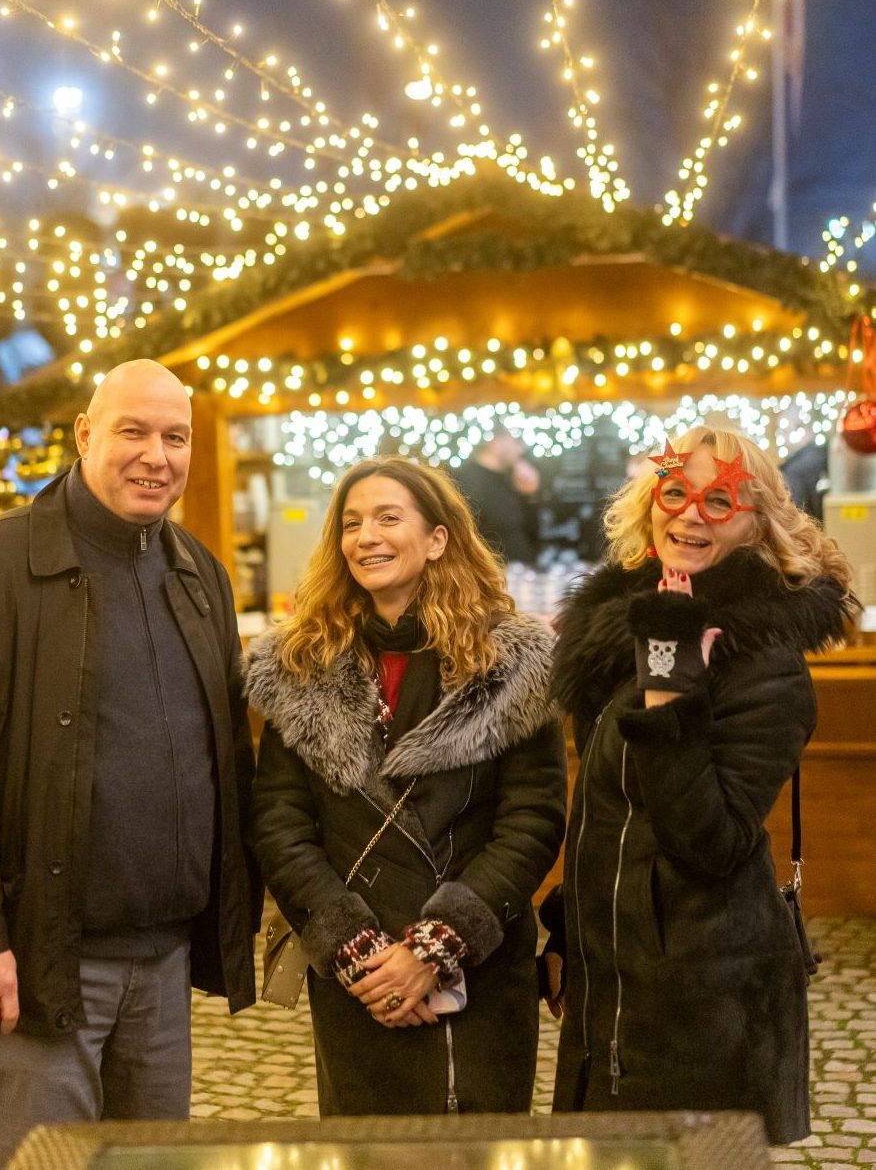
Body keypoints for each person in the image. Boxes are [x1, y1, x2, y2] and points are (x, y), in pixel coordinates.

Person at [0, 359, 262, 1168]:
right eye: (133, 430)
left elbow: (226, 755)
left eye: (176, 437)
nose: (156, 455)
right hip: (30, 959)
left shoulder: (200, 572)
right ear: (85, 434)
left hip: (162, 962)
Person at [540, 426, 857, 1144]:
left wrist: (672, 692)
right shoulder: (625, 627)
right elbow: (612, 811)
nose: (689, 515)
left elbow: (707, 841)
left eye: (720, 501)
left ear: (756, 521)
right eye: (675, 492)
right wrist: (569, 922)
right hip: (609, 988)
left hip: (704, 1010)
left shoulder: (765, 660)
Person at [247, 456, 567, 1115]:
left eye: (389, 517)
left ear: (438, 537)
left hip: (477, 959)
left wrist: (436, 946)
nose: (367, 536)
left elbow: (532, 820)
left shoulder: (511, 662)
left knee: (478, 1148)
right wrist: (358, 950)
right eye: (353, 522)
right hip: (354, 972)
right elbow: (280, 823)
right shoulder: (302, 664)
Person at [454, 423, 541, 564]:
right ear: (496, 444)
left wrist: (530, 495)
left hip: (519, 574)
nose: (521, 450)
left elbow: (526, 528)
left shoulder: (509, 478)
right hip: (493, 577)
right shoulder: (470, 480)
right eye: (516, 442)